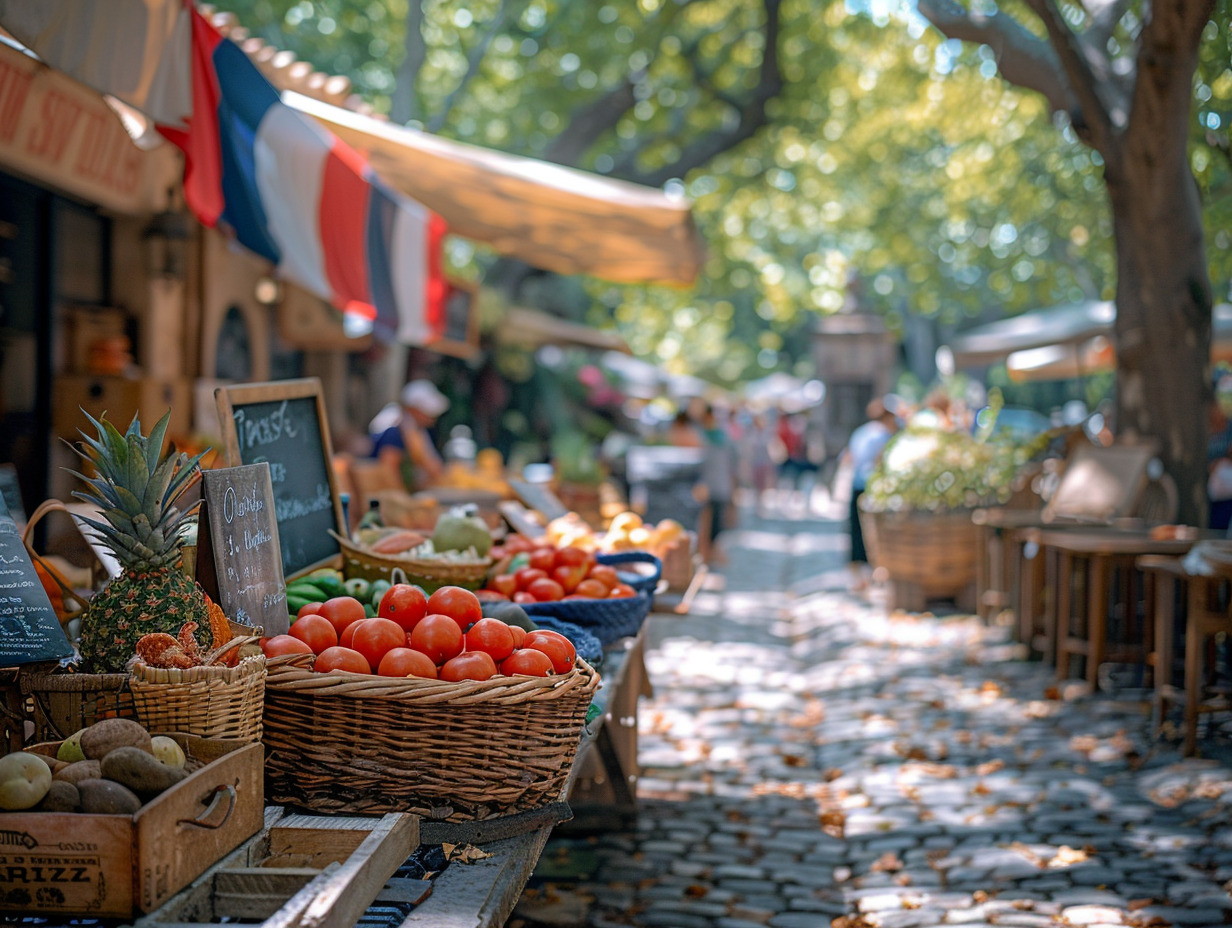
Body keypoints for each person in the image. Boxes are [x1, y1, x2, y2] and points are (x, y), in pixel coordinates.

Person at [843, 397, 898, 590]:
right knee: (875, 530)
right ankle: (876, 571)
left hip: (857, 484)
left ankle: (859, 575)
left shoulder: (860, 432)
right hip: (874, 487)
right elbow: (882, 461)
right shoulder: (883, 435)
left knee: (856, 530)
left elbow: (848, 458)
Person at [370, 379, 450, 492]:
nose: (432, 419)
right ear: (413, 409)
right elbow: (387, 471)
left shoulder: (415, 428)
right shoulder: (394, 429)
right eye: (428, 413)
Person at [699, 404, 738, 564]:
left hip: (719, 484)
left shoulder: (722, 437)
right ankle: (707, 551)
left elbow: (731, 464)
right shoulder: (701, 435)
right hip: (707, 485)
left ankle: (712, 550)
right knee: (707, 521)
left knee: (716, 521)